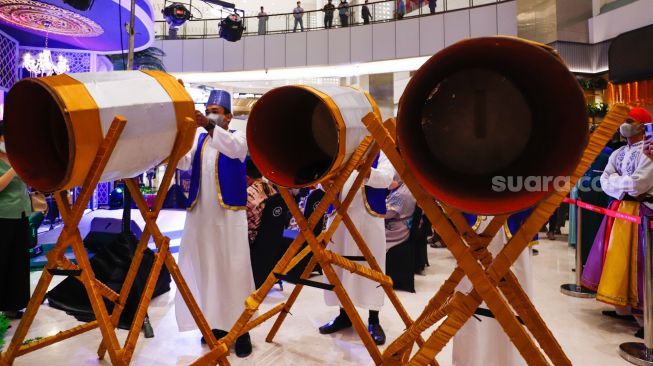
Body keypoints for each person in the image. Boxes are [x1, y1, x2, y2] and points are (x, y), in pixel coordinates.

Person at [175, 90, 254, 357]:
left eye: (215, 111)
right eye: (208, 110)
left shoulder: (238, 137)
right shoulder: (199, 141)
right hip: (202, 217)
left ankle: (242, 330)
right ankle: (216, 326)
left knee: (235, 270)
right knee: (208, 270)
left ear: (228, 117)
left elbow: (235, 150)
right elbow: (183, 161)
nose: (210, 114)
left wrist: (208, 126)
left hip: (229, 219)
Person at [582, 107, 653, 338]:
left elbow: (639, 185)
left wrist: (617, 182)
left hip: (641, 212)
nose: (624, 124)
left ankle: (645, 319)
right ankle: (621, 307)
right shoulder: (617, 152)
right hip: (620, 209)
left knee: (639, 263)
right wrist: (620, 183)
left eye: (629, 120)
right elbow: (604, 180)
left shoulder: (649, 152)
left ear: (643, 126)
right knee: (615, 258)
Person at [319, 152, 394, 346]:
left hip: (368, 219)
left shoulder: (380, 151)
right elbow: (321, 180)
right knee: (338, 266)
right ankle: (344, 315)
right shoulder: (341, 148)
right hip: (339, 216)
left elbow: (386, 178)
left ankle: (373, 319)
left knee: (371, 267)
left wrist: (366, 170)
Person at [452, 211, 536, 366]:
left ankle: (512, 361)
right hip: (475, 216)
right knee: (472, 298)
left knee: (513, 298)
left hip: (514, 220)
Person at [0, 120, 31, 320]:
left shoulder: (16, 156)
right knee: (2, 261)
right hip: (3, 215)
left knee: (18, 261)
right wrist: (14, 169)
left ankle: (13, 304)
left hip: (21, 213)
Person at [246, 158, 277, 245]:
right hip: (269, 240)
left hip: (251, 241)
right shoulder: (272, 190)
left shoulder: (248, 195)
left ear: (247, 178)